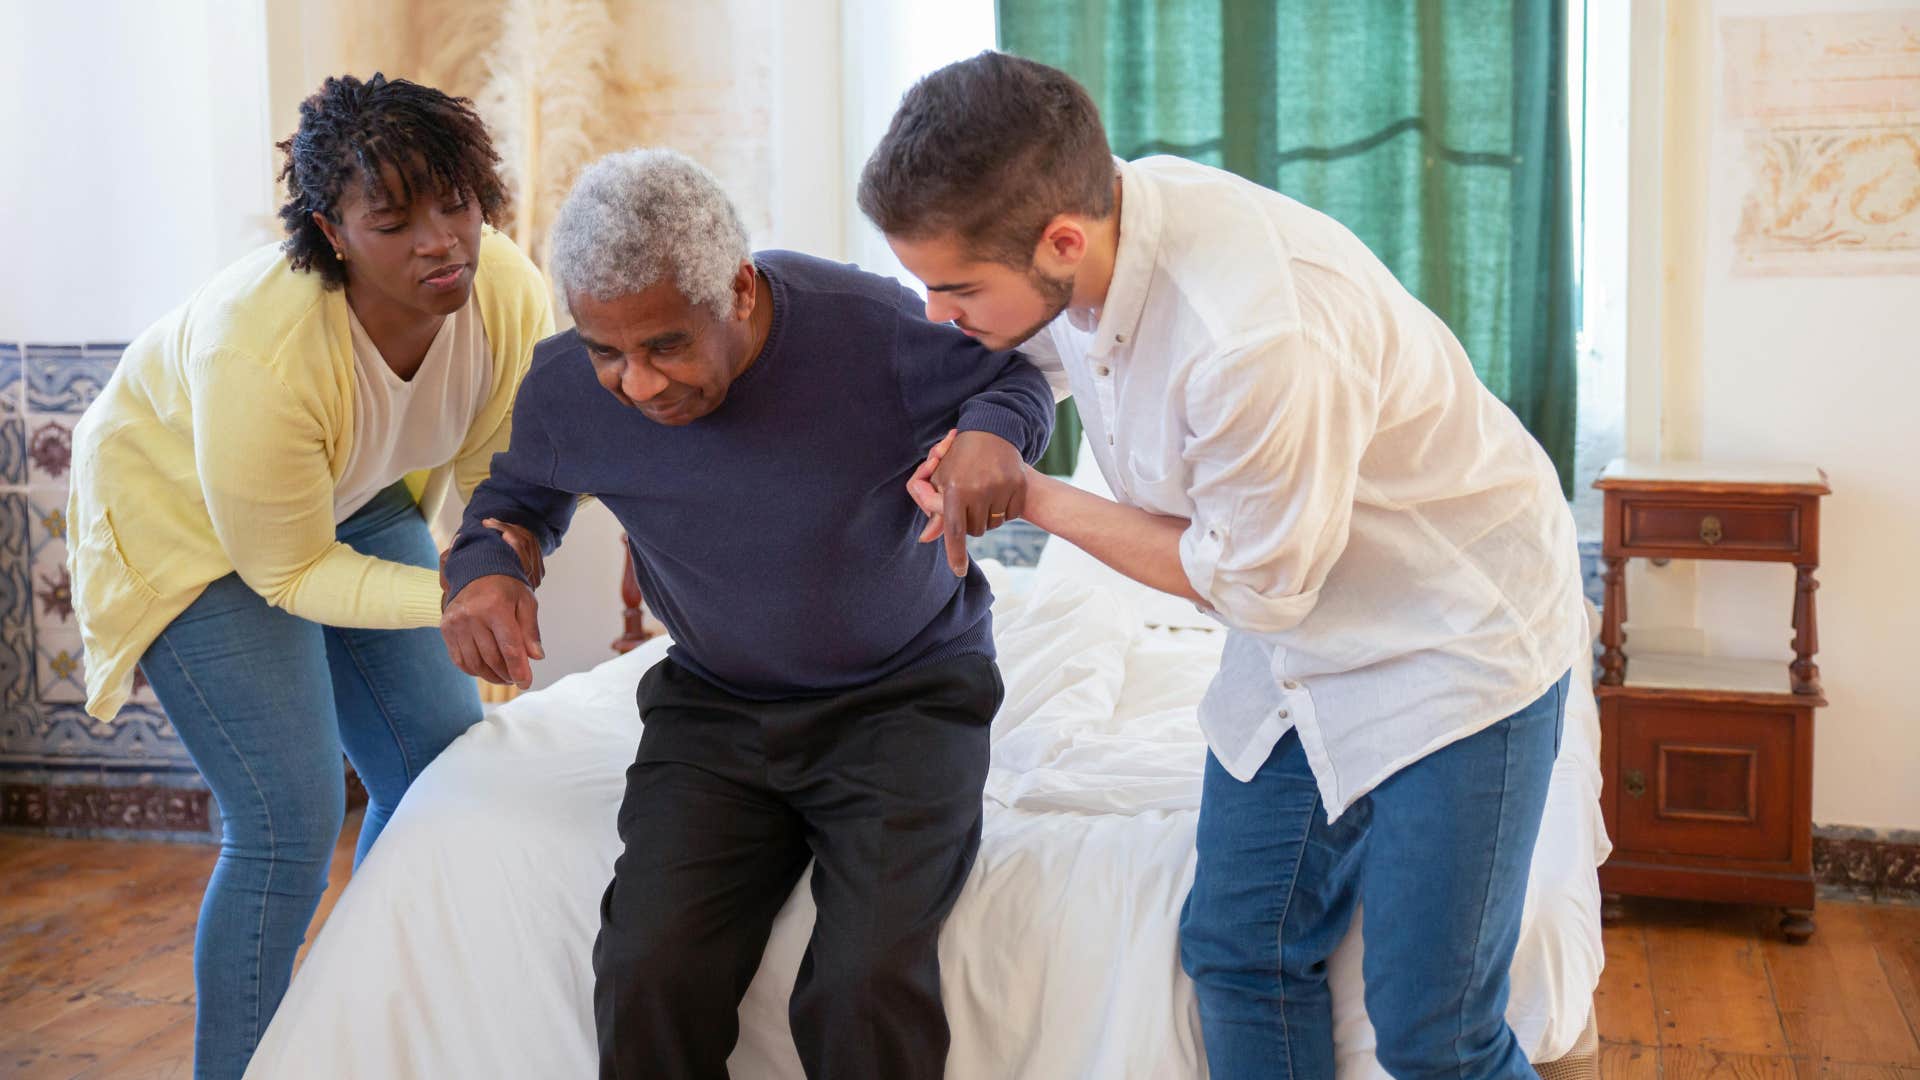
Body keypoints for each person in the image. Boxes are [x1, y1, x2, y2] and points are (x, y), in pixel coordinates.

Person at [860, 51, 1587, 1079]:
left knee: (1435, 1033)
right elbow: (1035, 354)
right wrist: (986, 428)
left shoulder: (1250, 339)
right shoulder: (1106, 224)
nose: (939, 314)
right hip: (1302, 632)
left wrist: (1034, 496)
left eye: (957, 288)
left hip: (1455, 639)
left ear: (1063, 240)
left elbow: (1252, 585)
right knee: (1239, 953)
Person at [437, 148, 1054, 1080]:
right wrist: (485, 572)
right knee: (647, 970)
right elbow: (514, 502)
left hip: (905, 698)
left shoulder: (868, 328)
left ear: (737, 287)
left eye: (666, 346)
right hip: (717, 707)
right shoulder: (566, 387)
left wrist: (992, 436)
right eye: (609, 352)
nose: (638, 384)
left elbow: (1014, 381)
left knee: (860, 986)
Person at [66, 74, 551, 1079]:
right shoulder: (262, 347)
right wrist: (456, 596)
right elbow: (286, 570)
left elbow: (498, 479)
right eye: (395, 222)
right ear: (333, 231)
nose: (441, 243)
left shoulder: (504, 289)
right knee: (286, 819)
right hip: (186, 519)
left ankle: (349, 1039)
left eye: (457, 204)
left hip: (347, 485)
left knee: (439, 771)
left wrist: (496, 566)